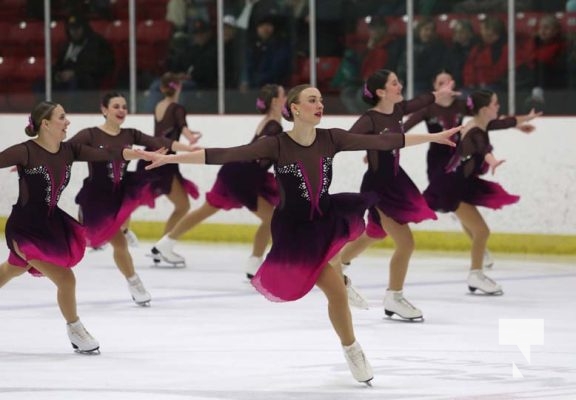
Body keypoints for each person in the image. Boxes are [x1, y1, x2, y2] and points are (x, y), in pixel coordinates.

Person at [135, 84, 461, 384]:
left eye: (320, 99)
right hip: (293, 230)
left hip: (324, 218)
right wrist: (174, 157)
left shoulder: (332, 138)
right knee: (331, 287)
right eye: (312, 100)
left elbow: (385, 141)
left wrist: (433, 137)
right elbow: (223, 154)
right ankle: (345, 300)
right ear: (294, 108)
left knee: (334, 292)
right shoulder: (276, 144)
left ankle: (352, 349)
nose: (320, 104)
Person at [0, 101, 142, 353]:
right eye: (62, 117)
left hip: (50, 226)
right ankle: (75, 329)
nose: (68, 122)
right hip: (24, 229)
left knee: (11, 270)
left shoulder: (70, 150)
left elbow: (109, 153)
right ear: (45, 124)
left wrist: (140, 154)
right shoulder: (25, 151)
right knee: (66, 279)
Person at [338, 69, 459, 321]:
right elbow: (345, 140)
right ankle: (394, 297)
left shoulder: (396, 110)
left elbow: (421, 102)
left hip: (396, 180)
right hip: (379, 187)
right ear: (381, 92)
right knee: (406, 243)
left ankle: (337, 265)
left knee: (374, 233)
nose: (399, 85)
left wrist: (439, 93)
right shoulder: (370, 119)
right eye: (394, 83)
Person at [67, 92, 198, 307]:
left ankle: (133, 281)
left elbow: (159, 141)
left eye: (124, 107)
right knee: (93, 241)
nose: (121, 110)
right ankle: (131, 277)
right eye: (116, 106)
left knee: (118, 242)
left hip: (121, 192)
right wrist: (33, 161)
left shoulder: (130, 134)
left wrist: (189, 149)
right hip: (97, 198)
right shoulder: (90, 134)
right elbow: (64, 152)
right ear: (104, 110)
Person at [403, 70, 539, 270]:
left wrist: (518, 126)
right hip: (438, 161)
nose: (445, 85)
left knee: (460, 205)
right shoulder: (428, 109)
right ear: (435, 86)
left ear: (453, 83)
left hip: (458, 156)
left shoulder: (460, 106)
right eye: (441, 82)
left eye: (448, 81)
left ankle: (479, 245)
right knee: (454, 201)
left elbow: (485, 115)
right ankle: (479, 246)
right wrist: (382, 145)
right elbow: (405, 127)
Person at [151, 84, 284, 275]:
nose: (286, 98)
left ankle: (165, 244)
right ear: (274, 102)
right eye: (283, 95)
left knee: (206, 211)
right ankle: (254, 264)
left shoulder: (270, 122)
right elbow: (262, 153)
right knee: (272, 219)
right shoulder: (274, 125)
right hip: (242, 176)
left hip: (237, 172)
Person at [422, 89, 539, 295]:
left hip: (457, 183)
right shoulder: (475, 131)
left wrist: (524, 120)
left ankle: (477, 269)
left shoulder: (480, 123)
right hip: (452, 186)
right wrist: (492, 161)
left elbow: (505, 122)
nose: (498, 106)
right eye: (495, 103)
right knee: (482, 231)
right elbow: (483, 147)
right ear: (485, 109)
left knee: (476, 228)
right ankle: (475, 275)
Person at [136, 73, 202, 240]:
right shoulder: (178, 108)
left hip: (152, 153)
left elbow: (167, 129)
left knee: (134, 198)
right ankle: (162, 246)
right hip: (165, 159)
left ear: (162, 88)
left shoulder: (159, 105)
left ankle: (160, 245)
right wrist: (192, 139)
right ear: (178, 87)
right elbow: (182, 130)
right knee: (183, 205)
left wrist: (186, 132)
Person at [53, 14, 115, 91]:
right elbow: (59, 63)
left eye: (77, 28)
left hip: (86, 80)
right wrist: (57, 74)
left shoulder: (96, 43)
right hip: (65, 80)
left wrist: (74, 73)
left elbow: (98, 66)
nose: (74, 32)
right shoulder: (66, 45)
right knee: (42, 84)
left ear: (84, 28)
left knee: (76, 82)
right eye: (71, 29)